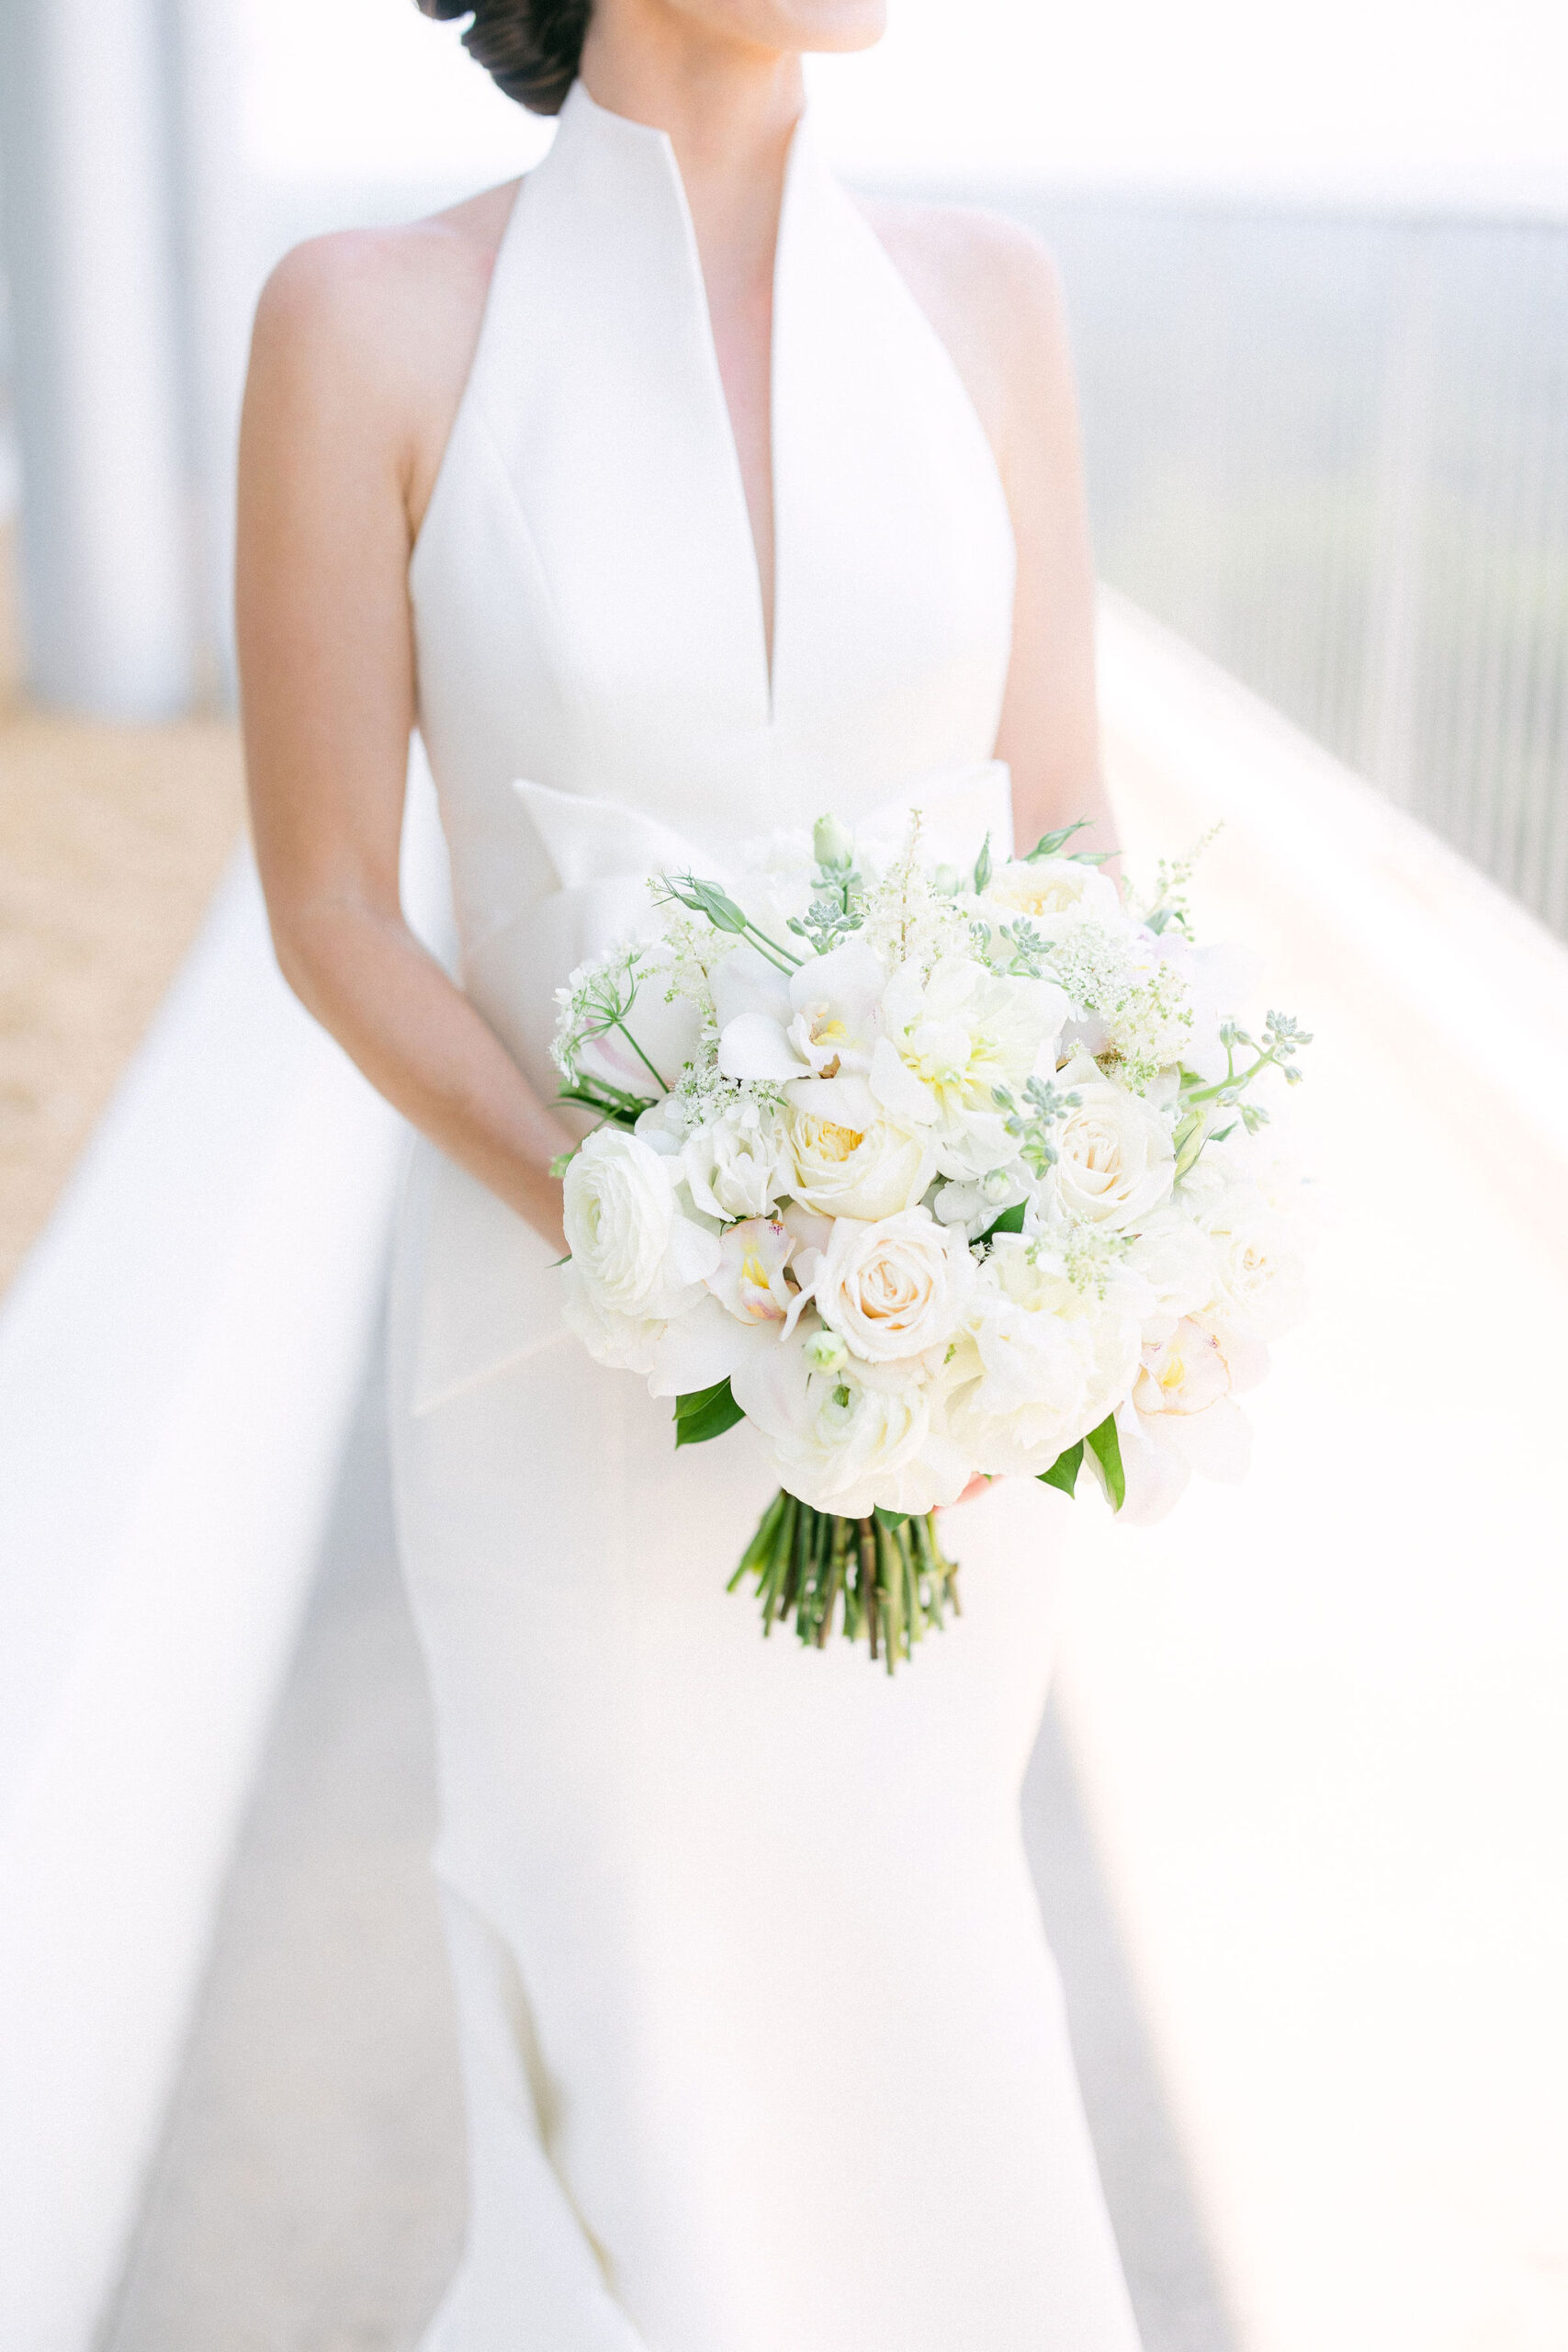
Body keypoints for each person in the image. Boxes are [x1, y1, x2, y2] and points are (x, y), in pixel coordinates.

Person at [237, 2, 1141, 2344]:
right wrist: (664, 1237)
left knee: (917, 1994)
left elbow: (1063, 845)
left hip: (937, 1392)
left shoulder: (988, 302)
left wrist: (1055, 1244)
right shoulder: (364, 323)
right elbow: (332, 906)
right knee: (634, 2028)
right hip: (561, 1380)